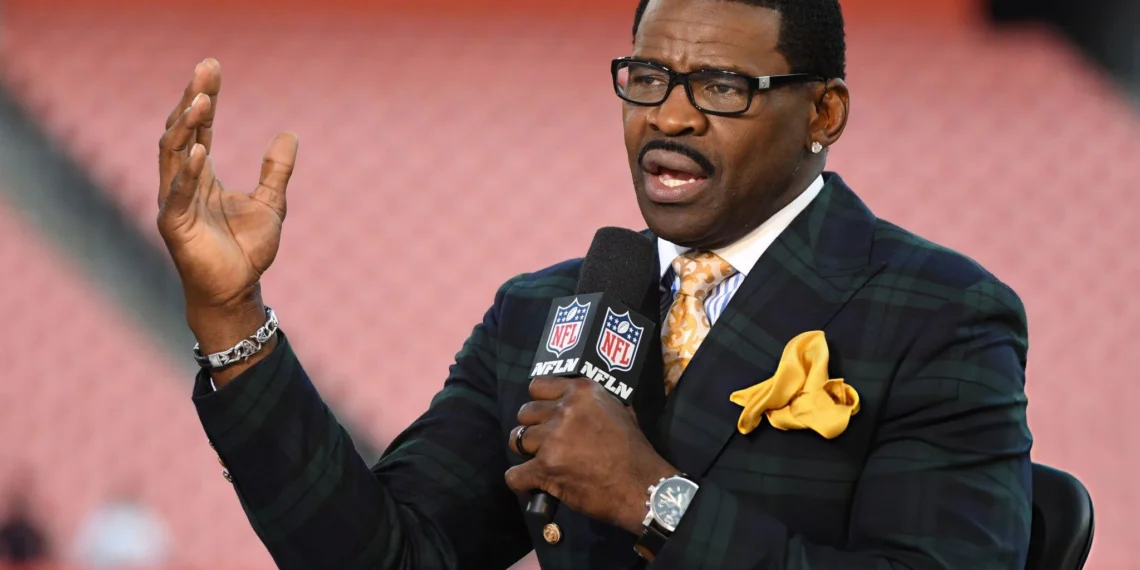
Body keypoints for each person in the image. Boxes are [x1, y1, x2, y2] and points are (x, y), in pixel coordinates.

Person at [155, 0, 1032, 568]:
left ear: (824, 112)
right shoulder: (540, 310)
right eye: (647, 77)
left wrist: (655, 498)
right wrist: (233, 313)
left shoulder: (940, 314)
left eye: (721, 85)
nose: (670, 113)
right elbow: (390, 557)